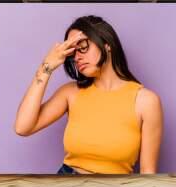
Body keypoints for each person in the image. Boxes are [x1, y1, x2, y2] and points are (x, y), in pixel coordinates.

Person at [14, 15, 163, 174]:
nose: (77, 57)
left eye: (83, 46)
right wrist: (46, 67)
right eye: (73, 52)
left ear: (107, 45)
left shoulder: (146, 101)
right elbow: (22, 127)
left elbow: (148, 171)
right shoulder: (70, 92)